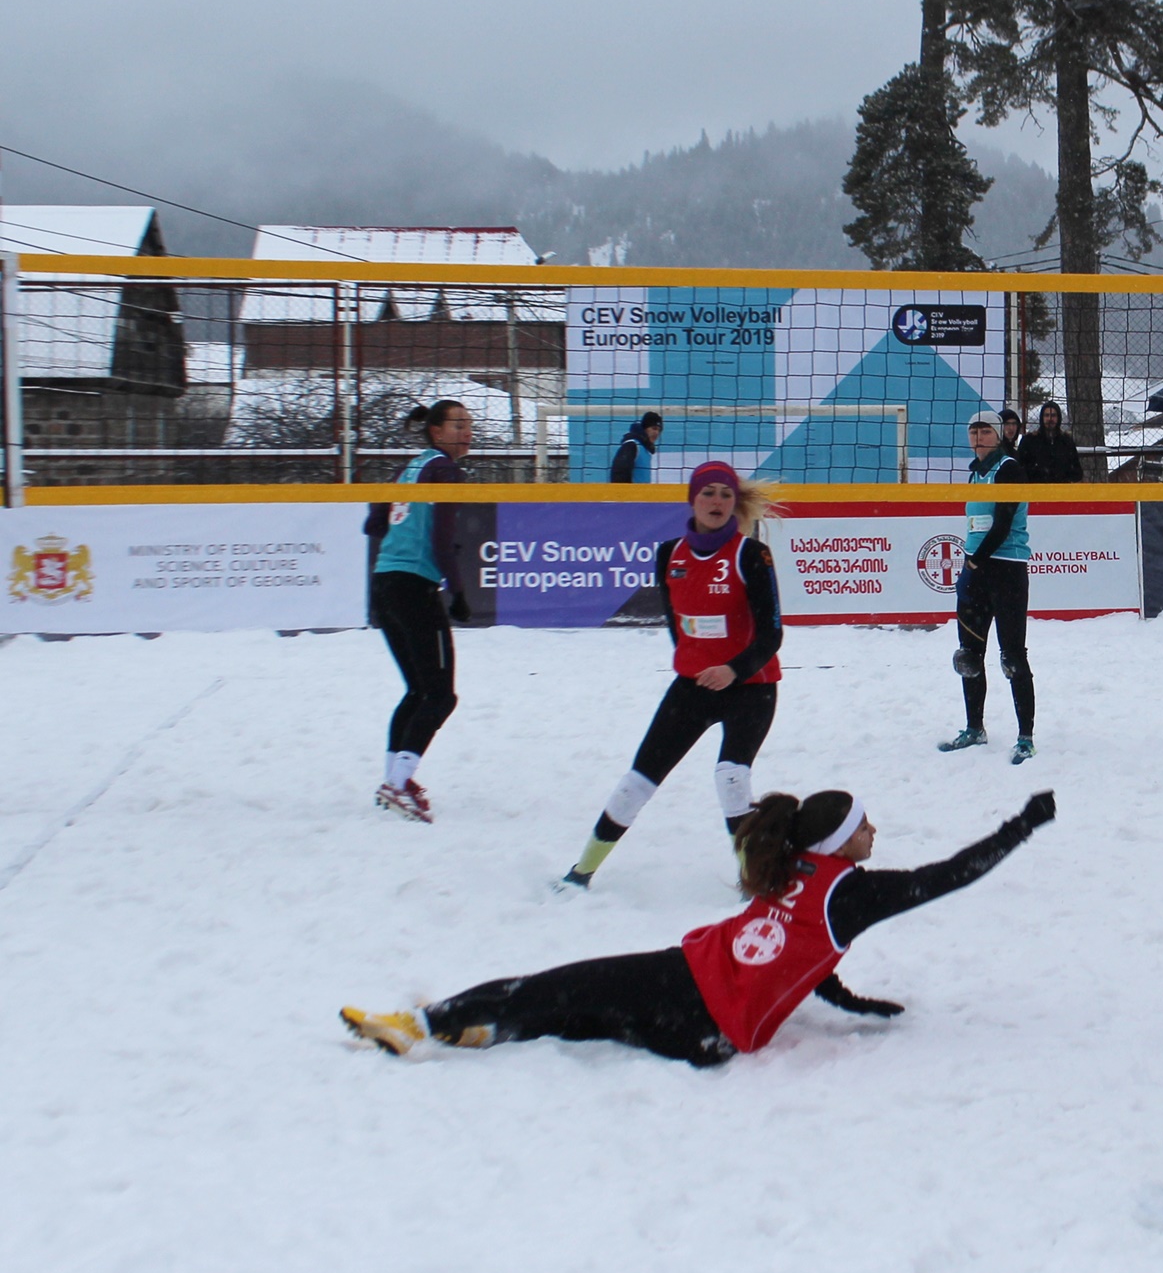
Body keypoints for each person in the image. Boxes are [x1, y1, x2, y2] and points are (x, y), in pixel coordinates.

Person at [343, 789, 1059, 1064]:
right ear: (838, 840)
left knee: (565, 998)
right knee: (566, 1002)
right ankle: (443, 1025)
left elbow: (801, 952)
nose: (874, 829)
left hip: (691, 990)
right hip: (699, 1007)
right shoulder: (851, 893)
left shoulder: (803, 872)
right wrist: (1020, 825)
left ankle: (437, 1023)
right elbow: (951, 873)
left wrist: (846, 1000)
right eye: (863, 823)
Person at [559, 461, 781, 890]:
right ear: (692, 499)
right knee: (636, 783)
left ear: (735, 503)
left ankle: (754, 882)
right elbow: (676, 625)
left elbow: (772, 633)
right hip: (693, 688)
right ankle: (579, 874)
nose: (716, 501)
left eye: (725, 494)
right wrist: (696, 666)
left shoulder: (750, 554)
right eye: (708, 493)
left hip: (751, 687)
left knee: (730, 779)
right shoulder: (668, 554)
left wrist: (732, 668)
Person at [362, 399, 475, 823]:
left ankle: (394, 778)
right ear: (436, 432)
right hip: (414, 587)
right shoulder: (445, 470)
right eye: (458, 424)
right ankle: (396, 783)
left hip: (384, 584)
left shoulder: (411, 467)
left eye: (470, 424)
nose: (467, 431)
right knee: (441, 696)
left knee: (417, 691)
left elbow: (373, 522)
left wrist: (402, 525)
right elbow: (443, 538)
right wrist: (459, 591)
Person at [940, 411, 1037, 763]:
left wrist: (976, 559)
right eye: (974, 431)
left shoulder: (1009, 468)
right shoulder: (974, 473)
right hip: (975, 570)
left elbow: (1002, 523)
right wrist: (971, 564)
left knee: (1012, 657)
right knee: (969, 656)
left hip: (1006, 569)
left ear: (998, 435)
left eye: (985, 431)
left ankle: (1025, 736)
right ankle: (974, 728)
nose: (978, 436)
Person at [1018, 400, 1084, 483]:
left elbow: (1077, 472)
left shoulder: (1066, 442)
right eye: (1046, 415)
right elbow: (1021, 469)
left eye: (1053, 415)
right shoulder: (1029, 441)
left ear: (1058, 417)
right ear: (1042, 418)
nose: (1050, 419)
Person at [610, 411, 663, 484]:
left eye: (659, 430)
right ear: (645, 429)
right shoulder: (632, 445)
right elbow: (619, 472)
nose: (657, 433)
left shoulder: (646, 451)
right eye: (654, 428)